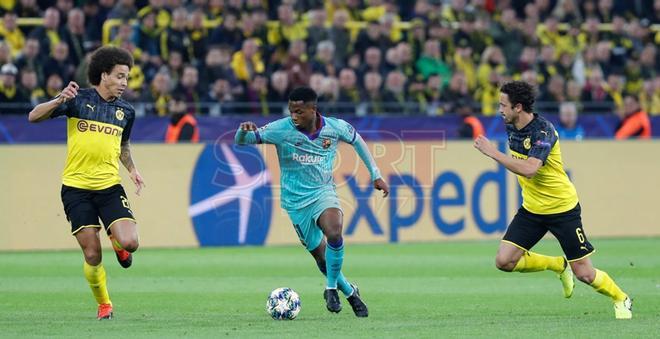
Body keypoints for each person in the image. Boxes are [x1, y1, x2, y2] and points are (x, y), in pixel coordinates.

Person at [473, 81, 632, 319]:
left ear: (518, 107)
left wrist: (492, 152)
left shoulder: (543, 131)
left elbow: (530, 169)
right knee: (504, 261)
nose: (499, 110)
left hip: (562, 209)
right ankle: (557, 265)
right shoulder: (512, 126)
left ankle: (621, 298)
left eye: (502, 105)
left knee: (585, 274)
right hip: (532, 209)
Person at [235, 87, 389, 317]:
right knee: (321, 257)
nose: (294, 116)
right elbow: (243, 141)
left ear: (313, 109)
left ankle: (330, 289)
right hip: (296, 202)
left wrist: (376, 174)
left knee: (334, 231)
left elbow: (357, 140)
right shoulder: (281, 129)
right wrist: (242, 130)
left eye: (299, 111)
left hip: (323, 192)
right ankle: (350, 293)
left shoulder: (334, 127)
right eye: (291, 111)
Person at [28, 46, 146, 320]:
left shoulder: (125, 111)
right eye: (119, 76)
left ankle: (116, 241)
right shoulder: (77, 100)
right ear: (103, 75)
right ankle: (104, 304)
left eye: (127, 77)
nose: (124, 83)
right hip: (76, 189)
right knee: (92, 255)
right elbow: (33, 117)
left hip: (109, 187)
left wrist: (132, 169)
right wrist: (59, 99)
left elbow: (123, 145)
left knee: (131, 243)